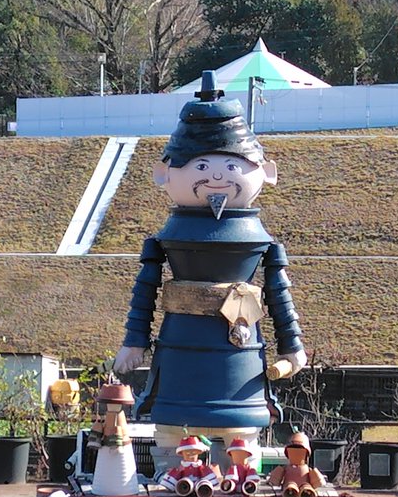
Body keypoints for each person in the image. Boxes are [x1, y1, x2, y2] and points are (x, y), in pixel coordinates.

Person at [115, 71, 308, 462]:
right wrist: (134, 340)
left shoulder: (261, 240)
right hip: (180, 349)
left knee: (239, 433)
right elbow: (145, 292)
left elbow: (278, 296)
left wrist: (293, 348)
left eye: (231, 167)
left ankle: (238, 480)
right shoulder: (167, 237)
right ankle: (172, 475)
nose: (217, 176)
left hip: (240, 352)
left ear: (264, 172)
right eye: (200, 168)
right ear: (164, 174)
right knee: (172, 433)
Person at [266, 432, 324, 497]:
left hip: (304, 488)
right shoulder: (288, 468)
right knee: (290, 486)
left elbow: (319, 482)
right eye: (293, 448)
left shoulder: (305, 469)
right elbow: (274, 480)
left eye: (299, 448)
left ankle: (301, 488)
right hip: (288, 488)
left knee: (302, 487)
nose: (296, 451)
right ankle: (293, 488)